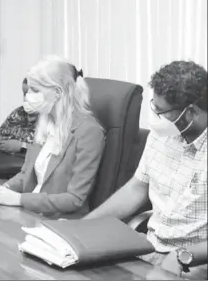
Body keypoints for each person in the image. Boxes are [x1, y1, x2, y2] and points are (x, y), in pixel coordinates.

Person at [85, 60, 207, 279]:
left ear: (191, 112)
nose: (156, 118)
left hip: (195, 261)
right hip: (149, 247)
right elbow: (137, 188)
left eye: (162, 112)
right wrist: (84, 226)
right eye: (154, 107)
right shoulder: (162, 136)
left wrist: (183, 256)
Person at [0, 58, 105, 217]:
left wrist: (19, 199)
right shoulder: (45, 122)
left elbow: (74, 199)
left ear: (58, 92)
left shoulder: (89, 131)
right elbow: (25, 174)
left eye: (35, 90)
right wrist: (5, 189)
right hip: (31, 214)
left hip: (60, 221)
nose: (28, 96)